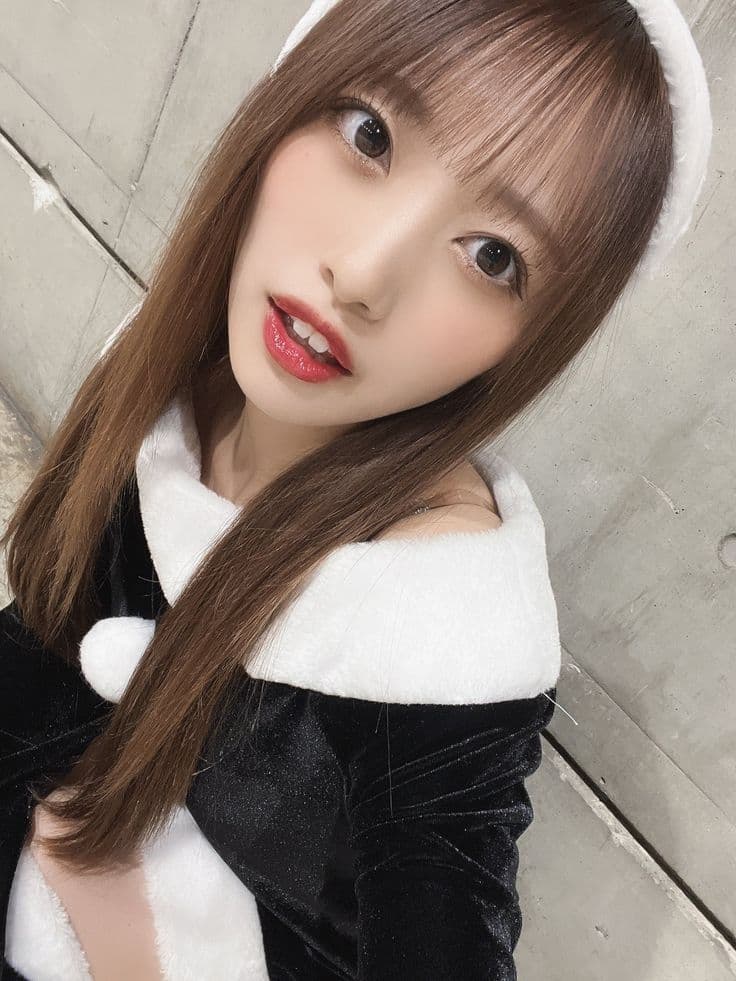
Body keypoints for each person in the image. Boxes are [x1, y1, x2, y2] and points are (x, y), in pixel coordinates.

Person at [0, 0, 711, 978]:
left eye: (493, 256)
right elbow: (39, 650)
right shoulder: (175, 383)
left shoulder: (442, 632)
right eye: (370, 135)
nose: (364, 274)